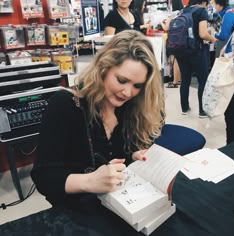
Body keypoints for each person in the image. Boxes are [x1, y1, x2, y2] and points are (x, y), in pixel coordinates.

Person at [31, 30, 165, 209]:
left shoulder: (132, 108)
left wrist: (133, 157)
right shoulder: (66, 105)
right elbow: (44, 177)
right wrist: (89, 181)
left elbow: (119, 158)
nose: (127, 92)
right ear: (104, 68)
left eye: (137, 86)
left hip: (122, 207)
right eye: (121, 80)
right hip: (75, 210)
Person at [174, 0, 217, 118]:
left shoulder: (183, 11)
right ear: (204, 2)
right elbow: (203, 34)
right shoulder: (201, 11)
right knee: (203, 80)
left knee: (185, 79)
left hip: (181, 49)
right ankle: (202, 111)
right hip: (197, 50)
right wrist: (213, 39)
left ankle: (185, 108)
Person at [213, 0, 234, 144]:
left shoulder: (228, 15)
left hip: (232, 70)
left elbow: (224, 35)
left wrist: (213, 34)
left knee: (232, 117)